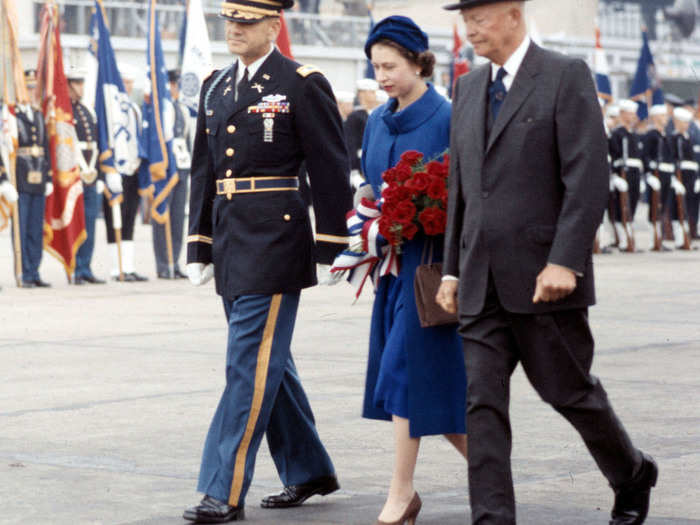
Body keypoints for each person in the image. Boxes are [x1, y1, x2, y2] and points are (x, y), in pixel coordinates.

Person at [436, 2, 657, 524]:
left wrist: (565, 261)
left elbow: (588, 176)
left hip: (544, 282)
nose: (470, 27)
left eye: (480, 16)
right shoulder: (467, 89)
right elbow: (460, 190)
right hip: (480, 282)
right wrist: (450, 270)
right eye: (465, 17)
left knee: (571, 392)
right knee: (482, 407)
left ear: (513, 14)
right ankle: (492, 519)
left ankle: (631, 472)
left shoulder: (563, 75)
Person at [183, 0, 353, 522]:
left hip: (277, 240)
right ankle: (307, 469)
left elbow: (330, 165)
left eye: (246, 21)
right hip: (233, 237)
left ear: (273, 26)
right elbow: (203, 168)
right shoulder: (215, 85)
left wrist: (329, 243)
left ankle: (222, 488)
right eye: (229, 21)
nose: (234, 29)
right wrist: (199, 243)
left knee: (246, 364)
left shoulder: (301, 81)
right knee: (265, 360)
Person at [360, 16, 467, 525]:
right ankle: (495, 471)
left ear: (419, 62)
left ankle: (400, 495)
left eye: (391, 66)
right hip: (391, 268)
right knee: (418, 385)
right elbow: (367, 185)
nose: (381, 76)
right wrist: (364, 219)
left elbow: (463, 196)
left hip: (432, 271)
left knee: (406, 376)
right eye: (376, 66)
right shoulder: (378, 119)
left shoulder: (447, 116)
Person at [102, 63, 148, 282]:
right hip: (115, 171)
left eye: (130, 83)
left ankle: (127, 266)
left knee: (130, 217)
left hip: (132, 169)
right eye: (124, 82)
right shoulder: (111, 110)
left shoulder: (135, 109)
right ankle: (115, 267)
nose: (127, 87)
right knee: (114, 218)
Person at [67, 66, 106, 284]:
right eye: (76, 83)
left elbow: (98, 144)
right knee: (75, 223)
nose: (80, 87)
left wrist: (99, 176)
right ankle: (74, 267)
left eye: (82, 82)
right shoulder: (65, 111)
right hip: (74, 175)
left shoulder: (88, 110)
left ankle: (86, 267)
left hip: (91, 174)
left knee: (90, 223)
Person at [152, 69, 192, 279]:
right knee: (162, 218)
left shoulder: (182, 110)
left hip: (182, 168)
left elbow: (187, 141)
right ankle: (162, 264)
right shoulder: (161, 109)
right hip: (166, 171)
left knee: (177, 218)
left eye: (176, 84)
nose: (174, 88)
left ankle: (174, 261)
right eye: (172, 84)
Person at [15, 70, 52, 289]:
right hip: (21, 178)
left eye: (33, 88)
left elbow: (45, 147)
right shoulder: (13, 115)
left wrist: (48, 177)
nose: (31, 92)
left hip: (38, 178)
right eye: (28, 88)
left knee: (36, 229)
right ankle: (24, 272)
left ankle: (35, 270)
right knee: (22, 227)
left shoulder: (38, 114)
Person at [609, 99, 644, 251]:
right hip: (623, 173)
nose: (634, 116)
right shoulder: (616, 134)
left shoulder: (634, 135)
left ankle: (629, 238)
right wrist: (614, 177)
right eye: (631, 113)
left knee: (633, 205)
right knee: (620, 207)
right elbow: (612, 157)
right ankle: (622, 240)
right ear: (622, 114)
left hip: (635, 173)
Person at [642, 104, 674, 251]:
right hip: (656, 174)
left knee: (663, 206)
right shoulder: (651, 135)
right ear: (655, 117)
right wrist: (648, 174)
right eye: (662, 116)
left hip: (666, 174)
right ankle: (653, 240)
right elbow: (645, 156)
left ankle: (659, 238)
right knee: (655, 206)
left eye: (666, 116)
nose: (665, 119)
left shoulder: (666, 135)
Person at [669, 106, 699, 248]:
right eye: (683, 122)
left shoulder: (690, 139)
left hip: (691, 175)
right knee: (679, 206)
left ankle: (689, 235)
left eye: (687, 122)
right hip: (680, 174)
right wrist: (674, 179)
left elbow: (695, 160)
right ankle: (680, 238)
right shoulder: (673, 139)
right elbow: (672, 159)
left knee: (690, 206)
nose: (685, 125)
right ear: (676, 122)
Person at [344, 78, 379, 188]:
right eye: (371, 92)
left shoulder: (377, 114)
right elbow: (350, 143)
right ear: (362, 94)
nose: (374, 95)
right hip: (360, 163)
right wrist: (353, 169)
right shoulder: (355, 117)